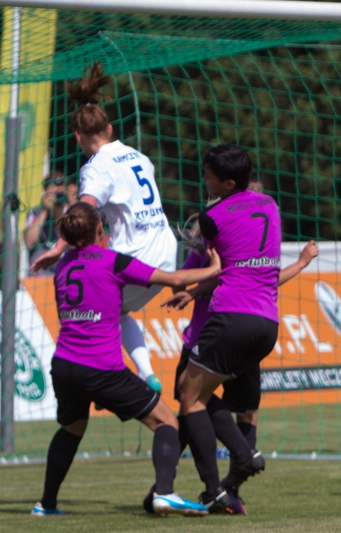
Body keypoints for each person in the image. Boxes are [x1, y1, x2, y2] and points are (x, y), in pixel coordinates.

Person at [31, 202, 220, 517]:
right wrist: (213, 269)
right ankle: (165, 493)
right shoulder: (113, 261)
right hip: (101, 368)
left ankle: (46, 505)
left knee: (72, 428)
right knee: (167, 421)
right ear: (100, 229)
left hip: (64, 365)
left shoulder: (62, 266)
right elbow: (174, 279)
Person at [31, 61, 177, 395]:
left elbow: (84, 210)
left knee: (95, 312)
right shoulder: (139, 157)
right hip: (167, 250)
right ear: (109, 129)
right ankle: (146, 375)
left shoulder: (96, 168)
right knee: (118, 310)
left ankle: (108, 378)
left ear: (77, 136)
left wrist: (57, 248)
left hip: (136, 255)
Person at [150, 233, 318, 514]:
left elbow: (180, 280)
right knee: (244, 411)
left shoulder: (211, 247)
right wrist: (300, 264)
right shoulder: (247, 245)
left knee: (190, 400)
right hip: (248, 334)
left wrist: (201, 277)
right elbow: (265, 280)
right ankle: (230, 487)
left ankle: (205, 481)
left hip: (211, 335)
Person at [176, 144, 281, 512]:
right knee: (236, 404)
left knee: (189, 395)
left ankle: (233, 465)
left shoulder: (211, 217)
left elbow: (214, 266)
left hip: (230, 317)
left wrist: (184, 286)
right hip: (267, 323)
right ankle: (230, 484)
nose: (204, 181)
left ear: (228, 182)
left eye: (209, 176)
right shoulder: (270, 204)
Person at [24, 176, 70, 276]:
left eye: (60, 193)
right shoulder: (36, 212)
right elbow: (28, 242)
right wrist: (44, 210)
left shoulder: (72, 213)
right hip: (39, 276)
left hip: (65, 275)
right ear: (45, 192)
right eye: (53, 193)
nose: (57, 197)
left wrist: (59, 213)